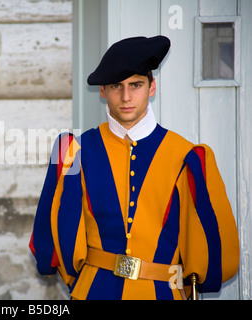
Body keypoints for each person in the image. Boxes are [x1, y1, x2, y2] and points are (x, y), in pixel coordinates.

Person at [29, 36, 239, 300]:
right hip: (93, 291)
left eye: (136, 85)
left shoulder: (187, 156)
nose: (126, 96)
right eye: (116, 86)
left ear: (152, 88)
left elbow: (213, 249)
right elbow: (52, 236)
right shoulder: (73, 152)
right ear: (103, 91)